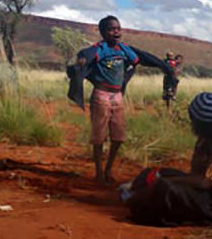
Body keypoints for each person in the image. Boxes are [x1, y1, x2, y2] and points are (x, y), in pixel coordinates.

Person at [67, 15, 173, 184]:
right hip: (101, 96)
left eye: (118, 28)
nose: (116, 32)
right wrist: (82, 59)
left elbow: (142, 58)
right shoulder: (100, 49)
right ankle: (99, 172)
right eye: (111, 29)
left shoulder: (124, 49)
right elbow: (86, 54)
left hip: (118, 97)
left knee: (118, 137)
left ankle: (109, 169)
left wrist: (164, 66)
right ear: (103, 32)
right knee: (99, 137)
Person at [124, 92, 212, 225]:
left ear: (204, 123)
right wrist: (161, 175)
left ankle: (140, 206)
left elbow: (204, 183)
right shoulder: (211, 133)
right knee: (156, 173)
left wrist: (166, 180)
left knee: (164, 187)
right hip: (210, 192)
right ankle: (140, 199)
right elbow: (197, 175)